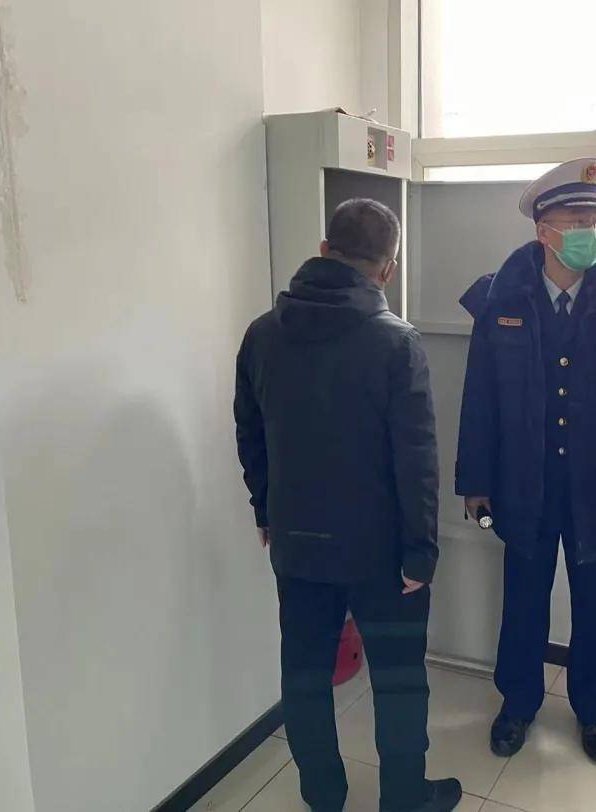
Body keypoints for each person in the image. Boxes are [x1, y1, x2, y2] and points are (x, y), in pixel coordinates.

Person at [234, 199, 461, 812]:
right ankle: (404, 798)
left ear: (324, 249)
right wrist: (420, 552)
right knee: (399, 683)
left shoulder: (261, 334)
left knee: (305, 677)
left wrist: (265, 510)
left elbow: (250, 433)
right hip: (381, 555)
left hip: (298, 545)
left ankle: (323, 796)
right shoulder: (396, 342)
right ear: (387, 269)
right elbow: (417, 460)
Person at [455, 158, 596, 765]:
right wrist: (476, 483)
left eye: (595, 220)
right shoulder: (501, 299)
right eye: (576, 220)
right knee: (523, 604)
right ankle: (517, 704)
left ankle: (594, 711)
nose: (589, 231)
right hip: (522, 484)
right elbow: (479, 398)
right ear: (544, 231)